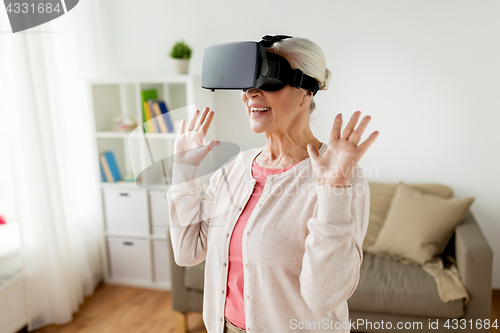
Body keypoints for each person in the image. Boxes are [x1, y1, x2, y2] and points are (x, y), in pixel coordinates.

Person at [167, 35, 379, 333]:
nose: (252, 93)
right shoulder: (235, 169)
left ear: (307, 91)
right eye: (247, 83)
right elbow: (188, 251)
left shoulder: (340, 177)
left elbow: (323, 296)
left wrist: (333, 192)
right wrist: (184, 171)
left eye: (269, 81)